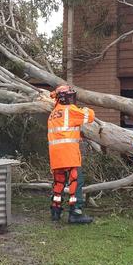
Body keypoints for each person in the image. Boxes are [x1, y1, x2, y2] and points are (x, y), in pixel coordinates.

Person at [47, 85, 94, 224]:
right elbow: (90, 116)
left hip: (55, 154)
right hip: (69, 153)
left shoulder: (53, 113)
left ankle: (55, 211)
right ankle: (76, 212)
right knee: (76, 182)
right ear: (64, 97)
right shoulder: (70, 110)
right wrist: (83, 109)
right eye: (70, 95)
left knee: (58, 183)